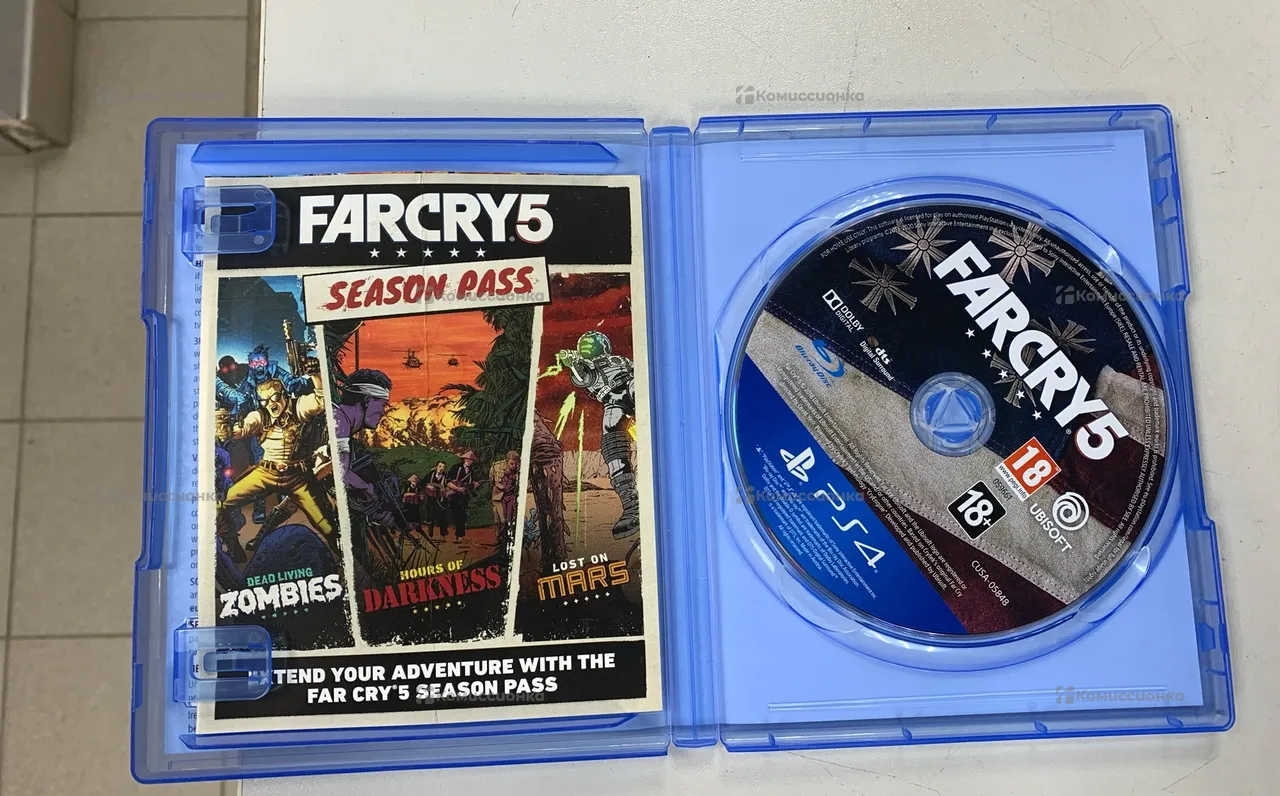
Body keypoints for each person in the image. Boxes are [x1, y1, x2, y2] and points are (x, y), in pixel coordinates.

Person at [215, 375, 333, 561]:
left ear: (284, 395)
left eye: (275, 398)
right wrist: (227, 430)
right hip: (265, 474)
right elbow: (243, 429)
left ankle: (346, 560)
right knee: (219, 506)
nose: (271, 404)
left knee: (327, 526)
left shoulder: (299, 407)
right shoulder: (259, 416)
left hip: (297, 477)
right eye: (264, 400)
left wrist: (316, 377)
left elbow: (322, 400)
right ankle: (234, 547)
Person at [552, 331, 640, 538]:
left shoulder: (619, 361)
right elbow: (583, 378)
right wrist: (574, 363)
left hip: (630, 387)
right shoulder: (585, 367)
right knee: (612, 445)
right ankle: (632, 506)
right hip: (614, 402)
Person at [444, 451, 480, 539]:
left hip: (464, 496)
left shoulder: (472, 470)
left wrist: (474, 485)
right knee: (455, 513)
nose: (469, 461)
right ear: (464, 459)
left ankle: (460, 535)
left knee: (463, 515)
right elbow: (447, 482)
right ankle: (451, 533)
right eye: (467, 459)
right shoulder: (456, 468)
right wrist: (457, 488)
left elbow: (471, 484)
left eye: (471, 460)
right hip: (454, 495)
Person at [421, 461, 449, 538]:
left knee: (442, 516)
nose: (441, 468)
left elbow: (449, 486)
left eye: (443, 467)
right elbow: (422, 483)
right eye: (440, 466)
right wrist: (428, 486)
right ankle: (430, 535)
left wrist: (444, 488)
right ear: (436, 466)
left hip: (441, 499)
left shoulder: (446, 476)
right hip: (431, 499)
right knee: (430, 516)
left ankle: (443, 535)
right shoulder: (431, 474)